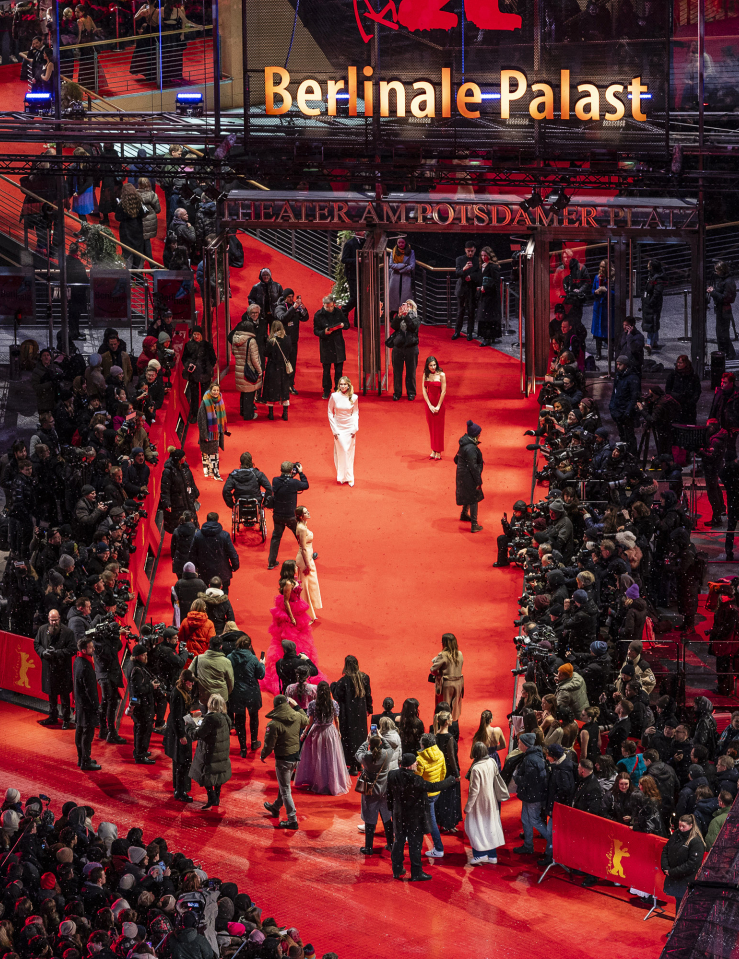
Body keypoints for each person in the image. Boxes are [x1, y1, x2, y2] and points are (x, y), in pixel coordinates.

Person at [386, 752, 455, 881]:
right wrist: (451, 780)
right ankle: (416, 873)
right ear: (410, 766)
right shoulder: (416, 780)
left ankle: (396, 869)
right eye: (415, 763)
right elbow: (433, 787)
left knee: (399, 842)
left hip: (399, 815)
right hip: (414, 818)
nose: (417, 763)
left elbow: (388, 794)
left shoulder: (392, 775)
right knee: (415, 845)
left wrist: (391, 809)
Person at [263, 560, 326, 695]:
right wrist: (291, 617)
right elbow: (286, 601)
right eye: (295, 567)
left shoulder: (293, 580)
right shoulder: (287, 584)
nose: (297, 569)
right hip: (292, 612)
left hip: (298, 611)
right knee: (291, 636)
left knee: (302, 636)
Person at [261, 694, 309, 829]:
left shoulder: (274, 724)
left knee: (285, 789)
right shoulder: (297, 716)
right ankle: (276, 807)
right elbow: (306, 720)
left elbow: (269, 744)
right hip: (294, 757)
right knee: (285, 785)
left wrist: (263, 755)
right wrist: (297, 707)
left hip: (282, 759)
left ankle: (292, 820)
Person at [294, 681, 350, 795]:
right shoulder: (333, 703)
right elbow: (337, 720)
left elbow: (309, 722)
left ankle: (318, 782)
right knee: (331, 758)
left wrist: (304, 734)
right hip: (330, 732)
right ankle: (332, 783)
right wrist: (338, 731)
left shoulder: (313, 704)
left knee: (317, 758)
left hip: (317, 733)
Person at [465, 740, 509, 865]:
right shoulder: (492, 761)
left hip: (479, 803)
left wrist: (468, 807)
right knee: (489, 827)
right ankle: (492, 855)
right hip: (492, 800)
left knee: (475, 828)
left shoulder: (476, 768)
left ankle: (480, 854)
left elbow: (474, 791)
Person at [331, 655, 372, 775]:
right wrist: (369, 708)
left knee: (349, 738)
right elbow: (368, 694)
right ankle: (359, 763)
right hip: (360, 713)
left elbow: (337, 696)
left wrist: (332, 685)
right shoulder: (365, 677)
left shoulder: (344, 681)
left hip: (347, 714)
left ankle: (353, 766)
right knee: (360, 737)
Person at [190, 693, 232, 810]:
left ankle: (211, 796)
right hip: (221, 753)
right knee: (218, 774)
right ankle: (216, 797)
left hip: (210, 752)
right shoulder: (225, 718)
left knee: (207, 774)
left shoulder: (210, 719)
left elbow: (198, 734)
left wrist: (189, 725)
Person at [355, 734, 394, 855]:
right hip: (385, 790)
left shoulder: (366, 757)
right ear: (380, 743)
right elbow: (391, 748)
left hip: (370, 791)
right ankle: (391, 844)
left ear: (370, 745)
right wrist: (382, 738)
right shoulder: (387, 754)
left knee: (370, 819)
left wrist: (366, 742)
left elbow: (357, 754)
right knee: (387, 819)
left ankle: (369, 847)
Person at [227, 635, 265, 757]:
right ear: (249, 646)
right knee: (253, 716)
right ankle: (254, 742)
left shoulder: (230, 657)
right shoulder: (253, 659)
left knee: (239, 720)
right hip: (251, 692)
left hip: (236, 692)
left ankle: (242, 747)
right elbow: (261, 675)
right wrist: (262, 664)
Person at [267, 461, 309, 570]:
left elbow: (284, 482)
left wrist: (291, 475)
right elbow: (305, 485)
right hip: (291, 517)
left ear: (281, 470)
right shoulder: (294, 483)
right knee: (300, 536)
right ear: (291, 471)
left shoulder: (275, 480)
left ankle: (271, 562)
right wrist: (300, 473)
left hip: (277, 516)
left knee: (276, 538)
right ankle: (308, 557)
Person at [512, 732, 548, 856]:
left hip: (533, 795)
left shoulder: (530, 759)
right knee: (526, 819)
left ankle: (554, 843)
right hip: (531, 794)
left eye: (520, 742)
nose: (518, 744)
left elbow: (529, 780)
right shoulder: (535, 756)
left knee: (534, 820)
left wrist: (516, 778)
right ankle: (528, 845)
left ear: (525, 745)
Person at [163, 668, 196, 802]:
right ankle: (180, 791)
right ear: (184, 681)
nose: (192, 684)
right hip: (179, 733)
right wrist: (182, 735)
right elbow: (177, 717)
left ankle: (179, 789)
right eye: (190, 682)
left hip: (179, 730)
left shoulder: (179, 691)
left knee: (180, 762)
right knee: (182, 762)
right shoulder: (178, 695)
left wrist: (191, 718)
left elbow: (180, 715)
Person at [661, 814, 706, 909]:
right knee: (679, 902)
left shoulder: (696, 842)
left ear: (691, 826)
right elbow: (666, 849)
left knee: (684, 905)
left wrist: (672, 872)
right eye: (679, 826)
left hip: (686, 880)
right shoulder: (676, 834)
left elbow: (692, 864)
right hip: (675, 877)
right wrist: (665, 867)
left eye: (683, 826)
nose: (681, 828)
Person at [190, 511, 240, 592]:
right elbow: (232, 553)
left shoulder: (198, 536)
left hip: (204, 573)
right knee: (223, 598)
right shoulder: (224, 535)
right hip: (222, 573)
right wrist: (235, 566)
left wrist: (195, 569)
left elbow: (192, 554)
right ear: (217, 520)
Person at [129, 643, 160, 765]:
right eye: (144, 655)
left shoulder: (136, 667)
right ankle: (140, 755)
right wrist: (151, 686)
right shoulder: (137, 670)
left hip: (142, 705)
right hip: (142, 706)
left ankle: (140, 751)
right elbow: (138, 689)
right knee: (143, 729)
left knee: (140, 729)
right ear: (138, 656)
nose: (146, 657)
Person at [314, 295, 349, 400]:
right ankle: (326, 390)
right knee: (326, 370)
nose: (329, 308)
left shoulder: (338, 312)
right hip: (326, 344)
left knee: (339, 370)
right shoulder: (318, 315)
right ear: (323, 305)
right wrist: (324, 332)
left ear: (334, 304)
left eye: (331, 306)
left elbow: (347, 324)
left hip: (338, 344)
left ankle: (338, 390)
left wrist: (343, 325)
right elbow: (315, 330)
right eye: (327, 307)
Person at [73, 638, 101, 771]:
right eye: (91, 648)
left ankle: (81, 758)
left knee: (80, 731)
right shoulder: (86, 666)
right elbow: (90, 689)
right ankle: (85, 761)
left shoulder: (77, 661)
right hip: (87, 706)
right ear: (84, 650)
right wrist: (96, 705)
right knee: (87, 734)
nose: (93, 649)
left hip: (79, 704)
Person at [274, 289, 309, 395]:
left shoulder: (295, 306)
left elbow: (305, 318)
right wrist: (293, 308)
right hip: (282, 341)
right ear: (284, 297)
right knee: (282, 364)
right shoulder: (279, 307)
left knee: (292, 364)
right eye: (289, 296)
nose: (291, 299)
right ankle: (280, 385)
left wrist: (303, 309)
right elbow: (283, 318)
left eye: (292, 296)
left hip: (293, 340)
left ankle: (290, 384)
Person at [159, 448, 199, 536]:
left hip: (188, 500)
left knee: (192, 524)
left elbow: (191, 482)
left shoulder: (185, 468)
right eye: (183, 456)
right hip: (176, 503)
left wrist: (195, 493)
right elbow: (165, 489)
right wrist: (167, 504)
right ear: (178, 459)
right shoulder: (168, 472)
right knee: (179, 527)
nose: (185, 457)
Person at [229, 317, 262, 422]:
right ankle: (248, 415)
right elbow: (255, 359)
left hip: (239, 369)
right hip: (249, 369)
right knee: (249, 393)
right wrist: (260, 371)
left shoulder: (235, 338)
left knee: (243, 392)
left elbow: (234, 353)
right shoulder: (251, 341)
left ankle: (242, 411)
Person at [328, 375, 359, 487]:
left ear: (348, 385)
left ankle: (350, 477)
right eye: (341, 384)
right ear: (338, 385)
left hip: (349, 427)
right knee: (341, 451)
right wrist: (334, 430)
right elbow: (330, 412)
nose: (343, 386)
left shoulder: (354, 397)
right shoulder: (334, 396)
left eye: (345, 384)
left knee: (349, 452)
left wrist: (354, 428)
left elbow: (355, 413)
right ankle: (341, 476)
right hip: (338, 427)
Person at [182, 327, 217, 425]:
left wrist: (209, 367)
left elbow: (213, 358)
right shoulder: (188, 345)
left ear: (201, 335)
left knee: (205, 396)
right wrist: (189, 365)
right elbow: (184, 359)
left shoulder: (207, 345)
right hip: (193, 374)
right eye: (194, 334)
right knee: (194, 396)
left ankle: (205, 415)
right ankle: (195, 414)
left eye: (198, 334)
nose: (196, 336)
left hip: (205, 373)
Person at [190, 636, 234, 712]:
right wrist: (227, 693)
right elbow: (230, 681)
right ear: (221, 646)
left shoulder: (198, 659)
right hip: (221, 697)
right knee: (221, 720)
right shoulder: (226, 662)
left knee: (205, 719)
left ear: (209, 645)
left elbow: (189, 674)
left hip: (204, 696)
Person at [455, 419, 484, 532]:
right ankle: (474, 524)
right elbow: (473, 467)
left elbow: (456, 459)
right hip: (469, 476)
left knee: (467, 494)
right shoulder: (471, 448)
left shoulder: (464, 443)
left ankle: (464, 514)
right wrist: (478, 481)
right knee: (473, 498)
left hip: (461, 475)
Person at [261, 320, 292, 421]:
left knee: (271, 389)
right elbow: (290, 351)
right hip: (283, 368)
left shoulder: (272, 341)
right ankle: (285, 413)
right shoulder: (288, 339)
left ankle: (271, 413)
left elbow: (265, 353)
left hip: (272, 368)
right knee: (284, 389)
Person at [389, 300, 419, 401]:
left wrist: (406, 316)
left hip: (411, 348)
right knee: (397, 372)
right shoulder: (400, 316)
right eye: (405, 304)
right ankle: (397, 392)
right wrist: (399, 316)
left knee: (411, 371)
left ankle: (411, 392)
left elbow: (412, 327)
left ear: (413, 307)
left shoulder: (415, 317)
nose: (406, 306)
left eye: (409, 304)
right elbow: (393, 326)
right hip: (398, 347)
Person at [295, 505, 321, 623]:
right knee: (305, 588)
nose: (308, 513)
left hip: (308, 558)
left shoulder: (303, 525)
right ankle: (305, 614)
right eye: (306, 512)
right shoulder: (302, 528)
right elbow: (303, 548)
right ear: (301, 516)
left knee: (310, 586)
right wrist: (307, 565)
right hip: (305, 560)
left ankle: (308, 612)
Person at [609, 355, 640, 455]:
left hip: (626, 412)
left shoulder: (633, 378)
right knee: (622, 435)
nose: (618, 366)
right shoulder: (618, 376)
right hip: (618, 410)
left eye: (620, 364)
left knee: (629, 435)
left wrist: (628, 411)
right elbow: (614, 392)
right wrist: (612, 406)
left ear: (626, 365)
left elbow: (634, 397)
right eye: (617, 364)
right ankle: (624, 454)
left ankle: (632, 455)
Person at [197, 383, 228, 481]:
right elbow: (201, 419)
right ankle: (212, 472)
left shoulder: (220, 400)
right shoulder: (205, 402)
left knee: (214, 453)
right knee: (208, 453)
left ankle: (214, 472)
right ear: (210, 391)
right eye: (214, 390)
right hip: (208, 432)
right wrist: (204, 434)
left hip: (217, 432)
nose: (216, 392)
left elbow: (222, 415)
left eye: (217, 390)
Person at [430, 632, 464, 721]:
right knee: (455, 707)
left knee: (444, 707)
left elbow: (433, 670)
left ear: (444, 643)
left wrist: (437, 674)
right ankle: (454, 726)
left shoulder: (442, 655)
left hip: (446, 685)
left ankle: (443, 727)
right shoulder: (460, 654)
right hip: (458, 684)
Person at [453, 241, 482, 340]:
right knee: (460, 311)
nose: (470, 253)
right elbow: (457, 273)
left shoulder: (478, 260)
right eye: (468, 251)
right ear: (465, 250)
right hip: (462, 289)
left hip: (472, 288)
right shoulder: (459, 259)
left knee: (471, 312)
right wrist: (464, 269)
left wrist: (471, 277)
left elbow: (479, 274)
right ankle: (457, 331)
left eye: (472, 251)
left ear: (475, 250)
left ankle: (469, 332)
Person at [709, 261, 737, 360]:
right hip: (722, 309)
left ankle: (729, 353)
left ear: (721, 271)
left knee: (723, 333)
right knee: (721, 333)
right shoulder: (724, 280)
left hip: (724, 310)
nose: (715, 272)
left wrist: (713, 292)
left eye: (717, 270)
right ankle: (725, 353)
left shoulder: (728, 281)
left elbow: (726, 298)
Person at [115, 184, 146, 270]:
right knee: (138, 255)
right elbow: (143, 213)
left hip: (126, 231)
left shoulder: (121, 204)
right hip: (138, 230)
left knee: (128, 256)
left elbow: (118, 218)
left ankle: (129, 279)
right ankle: (139, 278)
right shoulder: (139, 201)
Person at [476, 247, 502, 346]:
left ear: (489, 255)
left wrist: (486, 288)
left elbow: (496, 282)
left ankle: (488, 337)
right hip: (485, 295)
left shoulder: (493, 266)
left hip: (491, 296)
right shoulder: (482, 265)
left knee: (488, 317)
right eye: (482, 255)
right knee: (486, 316)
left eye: (485, 255)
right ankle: (488, 337)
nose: (483, 257)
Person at [666, 355, 702, 425]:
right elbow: (668, 389)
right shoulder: (673, 375)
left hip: (688, 406)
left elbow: (697, 390)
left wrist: (692, 401)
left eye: (680, 363)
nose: (678, 364)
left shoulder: (693, 376)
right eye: (677, 362)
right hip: (676, 405)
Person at [422, 356, 446, 460]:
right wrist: (429, 405)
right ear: (427, 366)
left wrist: (438, 406)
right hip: (429, 404)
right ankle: (433, 449)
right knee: (431, 427)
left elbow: (444, 391)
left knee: (439, 428)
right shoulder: (425, 375)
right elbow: (423, 390)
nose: (433, 367)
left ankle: (438, 451)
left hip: (439, 403)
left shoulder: (441, 374)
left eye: (435, 364)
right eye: (431, 365)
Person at [591, 261, 615, 360]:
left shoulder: (613, 279)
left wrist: (606, 290)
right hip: (598, 307)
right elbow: (592, 290)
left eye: (603, 267)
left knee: (609, 332)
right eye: (600, 266)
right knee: (597, 332)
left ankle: (610, 354)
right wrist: (595, 292)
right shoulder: (597, 278)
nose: (601, 269)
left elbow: (616, 293)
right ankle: (598, 353)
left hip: (608, 308)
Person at [642, 259, 665, 352]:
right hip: (651, 302)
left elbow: (657, 292)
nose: (647, 267)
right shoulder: (652, 275)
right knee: (653, 321)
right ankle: (655, 341)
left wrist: (650, 302)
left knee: (651, 322)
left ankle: (649, 343)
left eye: (649, 265)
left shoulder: (658, 278)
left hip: (653, 304)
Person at [388, 237, 416, 315]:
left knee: (405, 296)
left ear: (405, 243)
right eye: (399, 243)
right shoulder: (393, 251)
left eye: (402, 243)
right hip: (395, 277)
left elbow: (412, 266)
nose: (400, 244)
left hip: (406, 277)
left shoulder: (411, 252)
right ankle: (393, 312)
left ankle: (403, 313)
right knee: (394, 296)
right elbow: (391, 265)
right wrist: (403, 265)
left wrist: (401, 270)